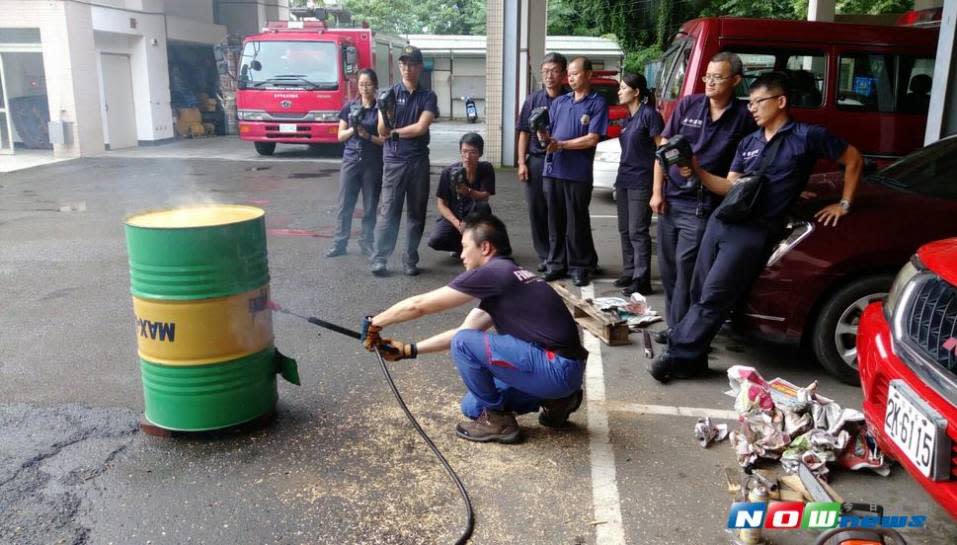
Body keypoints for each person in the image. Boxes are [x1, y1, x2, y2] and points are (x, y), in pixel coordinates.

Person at [648, 71, 863, 383]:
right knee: (698, 291)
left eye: (758, 102)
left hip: (753, 231)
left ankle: (678, 356)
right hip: (722, 221)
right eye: (750, 103)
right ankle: (694, 358)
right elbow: (728, 187)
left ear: (781, 101)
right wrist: (697, 170)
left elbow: (854, 159)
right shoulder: (748, 142)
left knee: (714, 295)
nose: (752, 108)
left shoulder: (807, 137)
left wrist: (844, 203)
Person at [361, 213, 588, 444]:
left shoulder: (495, 273)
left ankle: (499, 423)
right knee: (472, 406)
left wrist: (376, 322)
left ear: (486, 247)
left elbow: (419, 306)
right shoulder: (509, 278)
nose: (461, 255)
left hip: (556, 368)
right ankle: (559, 401)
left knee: (464, 343)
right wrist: (409, 350)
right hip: (563, 373)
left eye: (464, 247)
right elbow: (464, 330)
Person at [650, 52, 756, 345]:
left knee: (689, 272)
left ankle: (685, 333)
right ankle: (676, 326)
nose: (709, 81)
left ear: (735, 80)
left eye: (717, 77)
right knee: (669, 269)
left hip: (703, 205)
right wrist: (657, 192)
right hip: (671, 199)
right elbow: (663, 151)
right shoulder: (688, 105)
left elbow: (750, 164)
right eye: (707, 76)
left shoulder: (743, 119)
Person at [539, 56, 608, 287]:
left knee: (576, 221)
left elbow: (592, 138)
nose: (570, 77)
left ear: (588, 74)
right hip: (553, 169)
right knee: (554, 220)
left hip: (577, 173)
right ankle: (556, 264)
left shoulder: (597, 102)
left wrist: (562, 145)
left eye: (575, 73)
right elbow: (550, 131)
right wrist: (543, 137)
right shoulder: (560, 102)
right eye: (568, 73)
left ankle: (580, 266)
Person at [371, 45, 438, 277]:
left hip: (418, 161)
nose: (407, 69)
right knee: (389, 211)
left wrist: (395, 132)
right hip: (394, 161)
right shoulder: (387, 94)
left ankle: (410, 258)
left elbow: (421, 127)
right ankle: (380, 259)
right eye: (403, 64)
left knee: (416, 213)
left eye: (411, 64)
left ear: (420, 67)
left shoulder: (428, 96)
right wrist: (384, 111)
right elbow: (382, 131)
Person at [612, 73, 664, 297]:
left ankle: (642, 280)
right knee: (624, 229)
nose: (619, 91)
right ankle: (630, 271)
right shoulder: (628, 118)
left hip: (642, 180)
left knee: (637, 231)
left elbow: (661, 151)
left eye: (623, 88)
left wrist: (657, 190)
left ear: (636, 92)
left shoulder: (650, 115)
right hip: (624, 178)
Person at [517, 52, 569, 272]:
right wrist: (521, 162)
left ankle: (561, 256)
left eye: (554, 71)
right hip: (536, 161)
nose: (549, 76)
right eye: (546, 71)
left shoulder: (569, 99)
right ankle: (545, 255)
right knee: (536, 209)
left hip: (562, 161)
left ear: (563, 74)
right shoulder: (533, 99)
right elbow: (523, 133)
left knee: (559, 210)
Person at [326, 68, 384, 258]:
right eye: (361, 84)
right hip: (351, 160)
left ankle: (366, 242)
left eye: (368, 84)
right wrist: (354, 129)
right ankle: (339, 243)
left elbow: (385, 139)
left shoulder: (380, 109)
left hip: (372, 162)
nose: (364, 88)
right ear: (357, 86)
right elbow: (340, 136)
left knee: (370, 205)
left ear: (374, 85)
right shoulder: (349, 107)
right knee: (345, 204)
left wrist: (367, 135)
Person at [427, 133, 495, 254]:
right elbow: (441, 204)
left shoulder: (486, 168)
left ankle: (479, 245)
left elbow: (485, 196)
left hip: (475, 213)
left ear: (480, 153)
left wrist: (468, 191)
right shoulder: (448, 173)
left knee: (484, 207)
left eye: (472, 152)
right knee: (435, 240)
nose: (467, 156)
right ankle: (463, 247)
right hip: (454, 214)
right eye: (464, 151)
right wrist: (457, 224)